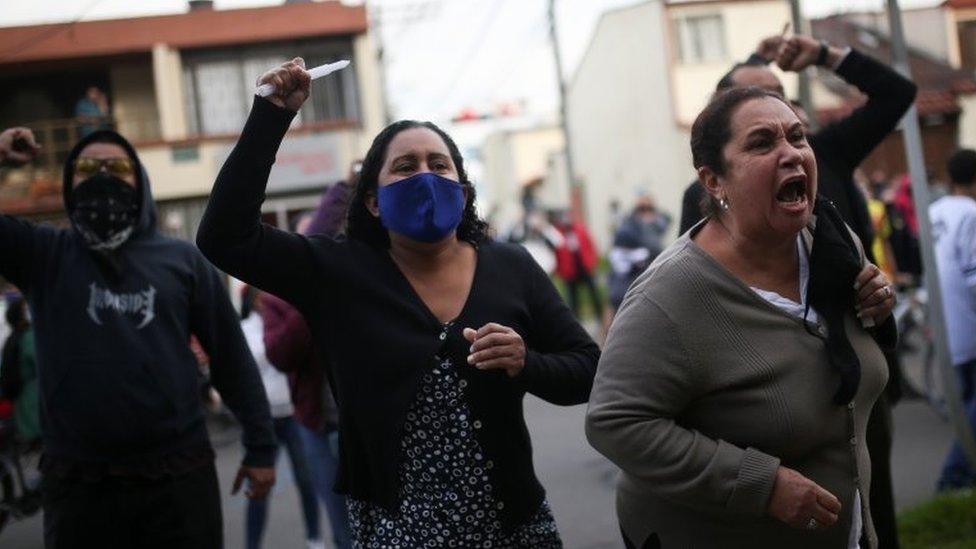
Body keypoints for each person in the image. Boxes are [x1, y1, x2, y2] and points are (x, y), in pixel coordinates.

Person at [197, 58, 600, 548]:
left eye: (439, 165)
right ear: (372, 201)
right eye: (405, 168)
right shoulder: (337, 272)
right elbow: (223, 238)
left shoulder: (510, 266)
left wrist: (525, 363)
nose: (425, 176)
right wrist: (270, 119)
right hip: (396, 529)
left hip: (514, 526)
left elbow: (588, 370)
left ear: (463, 190)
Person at [587, 87, 897, 548]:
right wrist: (762, 485)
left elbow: (851, 357)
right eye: (762, 143)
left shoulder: (829, 238)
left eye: (797, 137)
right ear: (713, 181)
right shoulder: (669, 296)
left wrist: (877, 308)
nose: (791, 154)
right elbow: (615, 423)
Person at [0, 126, 276, 548]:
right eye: (89, 168)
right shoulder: (44, 254)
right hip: (80, 487)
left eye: (118, 167)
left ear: (140, 180)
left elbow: (230, 357)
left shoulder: (182, 260)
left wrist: (260, 448)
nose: (103, 176)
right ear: (70, 181)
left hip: (178, 481)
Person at [262, 177, 359, 549]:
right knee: (343, 532)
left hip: (362, 425)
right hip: (317, 425)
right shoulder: (277, 297)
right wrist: (310, 298)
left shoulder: (352, 279)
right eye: (307, 252)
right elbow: (281, 355)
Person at [239, 286, 324, 549]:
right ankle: (252, 544)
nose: (263, 300)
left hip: (292, 414)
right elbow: (254, 363)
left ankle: (315, 538)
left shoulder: (284, 319)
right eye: (257, 296)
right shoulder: (245, 328)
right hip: (262, 419)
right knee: (258, 487)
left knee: (306, 481)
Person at [932, 149, 976, 491]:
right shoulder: (972, 214)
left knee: (966, 402)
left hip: (946, 322)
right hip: (969, 322)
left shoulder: (935, 211)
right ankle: (954, 477)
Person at [607, 195, 672, 312]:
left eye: (649, 209)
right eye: (642, 209)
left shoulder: (656, 225)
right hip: (629, 281)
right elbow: (619, 254)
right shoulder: (628, 227)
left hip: (652, 276)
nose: (645, 213)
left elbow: (666, 221)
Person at [0, 296, 41, 444]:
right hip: (33, 399)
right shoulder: (29, 337)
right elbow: (40, 362)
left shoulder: (12, 339)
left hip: (20, 402)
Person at [551, 210, 604, 322]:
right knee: (572, 298)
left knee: (593, 292)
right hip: (569, 271)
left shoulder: (580, 229)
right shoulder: (558, 234)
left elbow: (591, 246)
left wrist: (592, 263)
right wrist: (560, 271)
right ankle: (577, 320)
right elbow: (556, 255)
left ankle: (600, 316)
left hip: (584, 267)